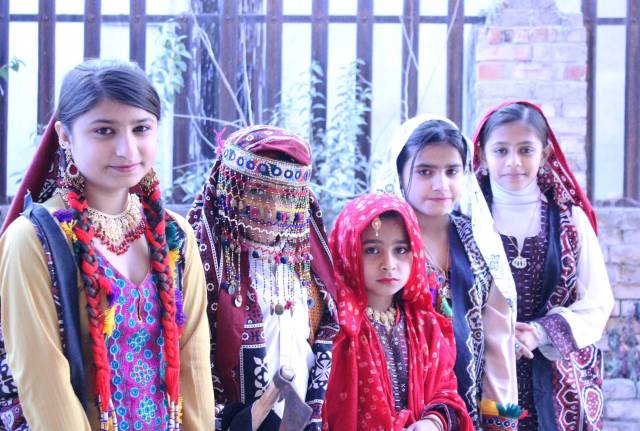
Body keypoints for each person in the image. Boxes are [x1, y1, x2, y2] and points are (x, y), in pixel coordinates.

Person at [0, 59, 214, 430]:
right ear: (65, 136)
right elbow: (43, 383)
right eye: (104, 131)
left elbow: (194, 366)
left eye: (141, 128)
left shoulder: (175, 236)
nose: (126, 149)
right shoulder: (32, 241)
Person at [371, 116, 522, 429]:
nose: (441, 185)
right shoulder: (376, 245)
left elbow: (498, 345)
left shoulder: (480, 243)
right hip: (399, 413)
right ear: (400, 173)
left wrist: (502, 422)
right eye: (425, 171)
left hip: (471, 413)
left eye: (452, 171)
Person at [473, 101, 614, 430]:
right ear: (481, 154)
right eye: (501, 150)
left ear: (546, 153)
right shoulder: (468, 221)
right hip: (485, 373)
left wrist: (539, 332)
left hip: (557, 378)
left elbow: (598, 302)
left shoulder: (569, 221)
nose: (513, 162)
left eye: (525, 150)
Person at [187, 126, 337, 430]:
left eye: (286, 196)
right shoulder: (204, 265)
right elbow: (190, 362)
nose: (272, 210)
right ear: (231, 192)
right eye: (257, 192)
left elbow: (323, 340)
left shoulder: (307, 267)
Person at [322, 193, 472, 431]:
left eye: (401, 249)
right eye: (372, 250)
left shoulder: (426, 324)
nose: (389, 263)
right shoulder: (333, 327)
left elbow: (446, 392)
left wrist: (433, 423)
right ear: (347, 251)